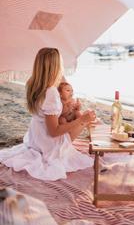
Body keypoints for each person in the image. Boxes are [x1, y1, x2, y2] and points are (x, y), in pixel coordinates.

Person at [0, 48, 96, 181]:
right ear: (56, 66)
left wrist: (68, 108)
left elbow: (46, 113)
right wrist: (82, 120)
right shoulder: (51, 92)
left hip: (36, 138)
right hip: (49, 145)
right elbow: (54, 132)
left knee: (77, 116)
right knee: (84, 118)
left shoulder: (32, 83)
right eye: (60, 64)